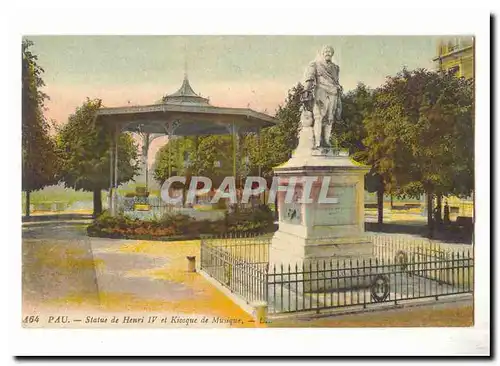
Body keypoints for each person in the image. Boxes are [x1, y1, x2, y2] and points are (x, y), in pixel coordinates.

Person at [302, 45, 343, 149]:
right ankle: (317, 142)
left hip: (333, 93)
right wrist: (306, 91)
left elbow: (336, 81)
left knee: (330, 118)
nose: (328, 53)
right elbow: (310, 78)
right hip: (320, 91)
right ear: (322, 53)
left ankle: (327, 141)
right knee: (318, 117)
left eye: (330, 51)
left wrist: (338, 89)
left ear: (332, 54)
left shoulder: (336, 68)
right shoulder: (315, 64)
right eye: (326, 51)